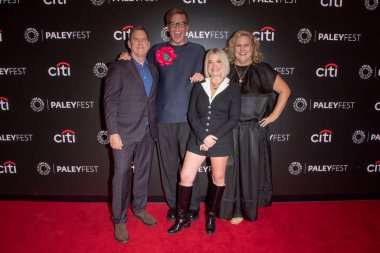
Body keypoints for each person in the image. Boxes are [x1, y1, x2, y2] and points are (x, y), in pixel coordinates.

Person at [119, 8, 205, 222]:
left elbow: (214, 74)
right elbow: (138, 65)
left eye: (181, 23)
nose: (177, 28)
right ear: (167, 28)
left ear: (187, 26)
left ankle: (192, 205)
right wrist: (126, 57)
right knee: (168, 167)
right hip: (162, 118)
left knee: (190, 165)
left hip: (190, 119)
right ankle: (175, 205)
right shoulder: (155, 49)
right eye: (173, 24)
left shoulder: (199, 50)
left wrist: (204, 75)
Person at [218, 30, 291, 224]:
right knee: (229, 171)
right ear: (233, 48)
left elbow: (285, 90)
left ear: (253, 47)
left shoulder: (264, 70)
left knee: (248, 172)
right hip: (229, 130)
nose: (242, 49)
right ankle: (228, 207)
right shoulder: (226, 70)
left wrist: (274, 115)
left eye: (246, 45)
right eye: (238, 45)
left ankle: (243, 209)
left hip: (252, 131)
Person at [168, 48, 241, 235]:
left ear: (224, 64)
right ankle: (182, 218)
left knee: (218, 178)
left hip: (221, 140)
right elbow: (191, 114)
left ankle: (210, 215)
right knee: (185, 176)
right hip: (197, 138)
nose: (214, 66)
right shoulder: (199, 85)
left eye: (218, 61)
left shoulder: (232, 87)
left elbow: (234, 118)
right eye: (210, 61)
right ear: (206, 65)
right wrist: (203, 137)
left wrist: (212, 138)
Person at [104, 26, 159, 243]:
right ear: (129, 43)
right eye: (135, 39)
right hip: (124, 132)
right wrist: (113, 132)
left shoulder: (153, 69)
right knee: (121, 176)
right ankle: (119, 219)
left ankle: (139, 208)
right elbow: (109, 100)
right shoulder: (119, 67)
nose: (139, 42)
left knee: (143, 172)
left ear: (148, 43)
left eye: (144, 39)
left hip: (148, 130)